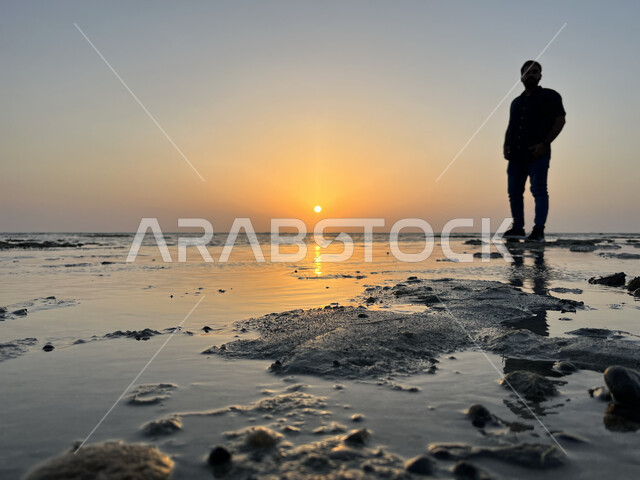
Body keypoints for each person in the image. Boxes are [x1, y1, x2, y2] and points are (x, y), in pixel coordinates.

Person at [503, 60, 566, 242]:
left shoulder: (550, 96)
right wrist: (505, 146)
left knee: (539, 191)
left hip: (537, 152)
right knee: (514, 193)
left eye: (535, 72)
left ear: (540, 76)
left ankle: (538, 230)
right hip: (516, 155)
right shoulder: (516, 102)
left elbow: (560, 120)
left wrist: (545, 144)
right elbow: (511, 126)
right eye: (527, 72)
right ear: (521, 76)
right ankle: (518, 227)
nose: (530, 75)